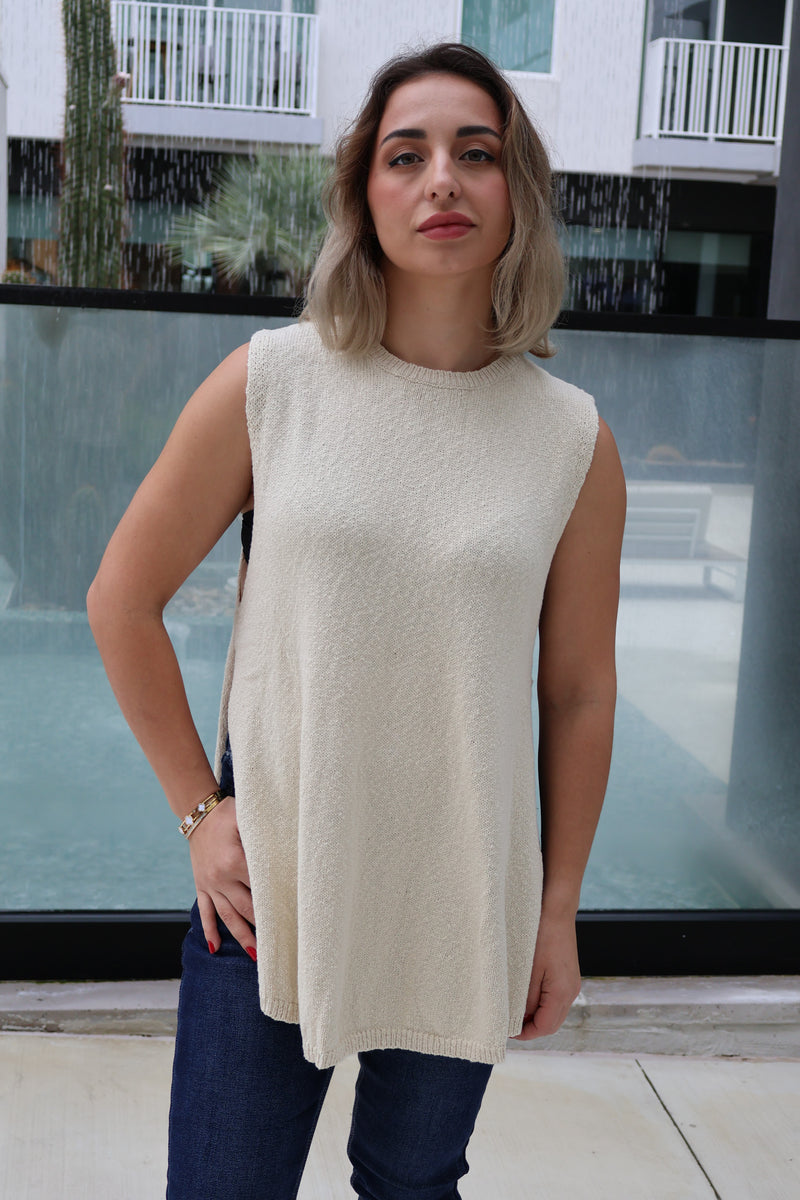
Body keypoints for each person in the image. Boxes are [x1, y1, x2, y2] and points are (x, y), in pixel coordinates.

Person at [87, 40, 626, 1200]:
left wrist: (556, 910)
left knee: (411, 1187)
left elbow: (578, 690)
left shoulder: (571, 439)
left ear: (515, 191)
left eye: (474, 153)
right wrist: (199, 814)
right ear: (364, 194)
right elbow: (120, 599)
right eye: (405, 154)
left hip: (462, 891)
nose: (441, 180)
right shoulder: (270, 383)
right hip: (271, 886)